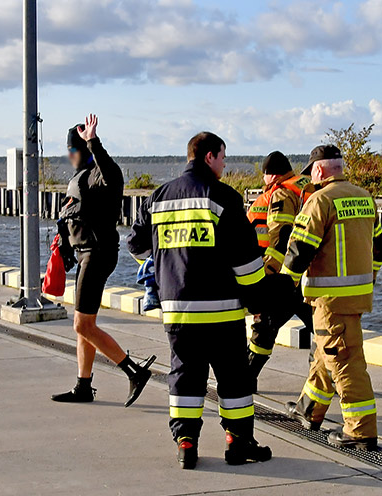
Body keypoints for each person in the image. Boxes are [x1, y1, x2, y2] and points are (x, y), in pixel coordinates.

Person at [128, 131, 290, 468]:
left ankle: (186, 442)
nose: (225, 163)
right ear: (208, 157)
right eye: (223, 157)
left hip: (177, 313)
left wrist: (166, 263)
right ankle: (237, 442)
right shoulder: (222, 198)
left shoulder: (159, 197)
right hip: (222, 313)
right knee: (234, 380)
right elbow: (245, 262)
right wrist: (258, 299)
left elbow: (137, 245)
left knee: (185, 377)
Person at [282, 144, 382, 451]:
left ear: (318, 170)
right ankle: (309, 410)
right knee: (326, 355)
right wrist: (371, 278)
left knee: (344, 361)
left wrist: (283, 288)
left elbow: (300, 250)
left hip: (329, 298)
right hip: (357, 294)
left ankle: (360, 430)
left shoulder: (319, 201)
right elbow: (378, 248)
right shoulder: (364, 198)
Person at [51, 114, 156, 407]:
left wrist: (93, 141)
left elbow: (112, 174)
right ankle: (83, 386)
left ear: (83, 150)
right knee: (84, 323)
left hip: (97, 255)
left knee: (82, 326)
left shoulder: (100, 174)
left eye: (73, 150)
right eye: (69, 151)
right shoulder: (79, 177)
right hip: (84, 255)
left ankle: (133, 371)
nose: (69, 156)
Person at [246, 151, 314, 391]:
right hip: (311, 273)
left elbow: (280, 236)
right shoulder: (307, 186)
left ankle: (247, 378)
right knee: (320, 328)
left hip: (287, 276)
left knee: (264, 325)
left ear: (271, 174)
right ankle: (324, 380)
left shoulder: (282, 192)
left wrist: (269, 271)